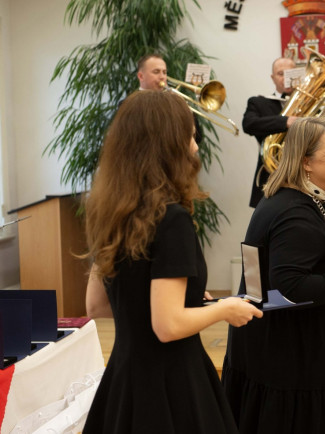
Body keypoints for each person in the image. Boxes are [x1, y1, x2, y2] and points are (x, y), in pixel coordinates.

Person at [82, 90, 263, 434]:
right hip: (171, 384)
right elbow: (167, 326)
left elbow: (97, 304)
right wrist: (225, 310)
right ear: (166, 144)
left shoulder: (111, 213)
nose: (195, 147)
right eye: (191, 136)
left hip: (124, 378)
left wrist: (191, 299)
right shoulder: (171, 219)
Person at [222, 117, 325, 434]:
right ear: (306, 162)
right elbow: (290, 286)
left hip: (270, 349)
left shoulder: (295, 199)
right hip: (290, 361)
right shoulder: (293, 213)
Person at [243, 57, 299, 207]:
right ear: (272, 77)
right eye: (281, 74)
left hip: (302, 176)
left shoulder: (312, 102)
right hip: (270, 175)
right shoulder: (259, 103)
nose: (286, 78)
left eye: (290, 73)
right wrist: (284, 122)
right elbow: (248, 124)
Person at [135, 52, 203, 144]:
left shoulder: (171, 102)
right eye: (156, 72)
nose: (162, 77)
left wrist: (184, 109)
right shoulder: (127, 103)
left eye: (164, 72)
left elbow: (197, 139)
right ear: (141, 76)